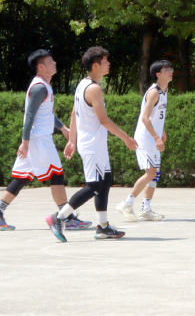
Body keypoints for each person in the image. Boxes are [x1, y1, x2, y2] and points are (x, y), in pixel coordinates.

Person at [0, 50, 90, 231]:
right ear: (41, 66)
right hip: (39, 139)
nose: (54, 63)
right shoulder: (39, 87)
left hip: (36, 139)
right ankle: (66, 218)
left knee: (22, 178)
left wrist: (62, 128)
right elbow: (29, 116)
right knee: (56, 175)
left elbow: (46, 112)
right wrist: (25, 142)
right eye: (50, 61)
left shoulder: (44, 86)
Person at [49, 47, 138, 242]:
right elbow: (103, 120)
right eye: (105, 61)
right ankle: (60, 217)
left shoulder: (83, 84)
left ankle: (103, 227)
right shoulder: (94, 89)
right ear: (95, 65)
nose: (109, 64)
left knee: (105, 182)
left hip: (95, 145)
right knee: (94, 185)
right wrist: (126, 138)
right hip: (92, 146)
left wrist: (72, 140)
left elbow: (74, 114)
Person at [117, 60, 174, 221]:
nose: (170, 71)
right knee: (151, 173)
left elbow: (156, 115)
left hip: (153, 136)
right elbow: (144, 117)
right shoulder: (154, 92)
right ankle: (126, 203)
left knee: (155, 173)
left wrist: (161, 130)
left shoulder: (165, 90)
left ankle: (146, 209)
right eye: (166, 69)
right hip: (146, 138)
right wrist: (156, 137)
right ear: (158, 74)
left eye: (171, 69)